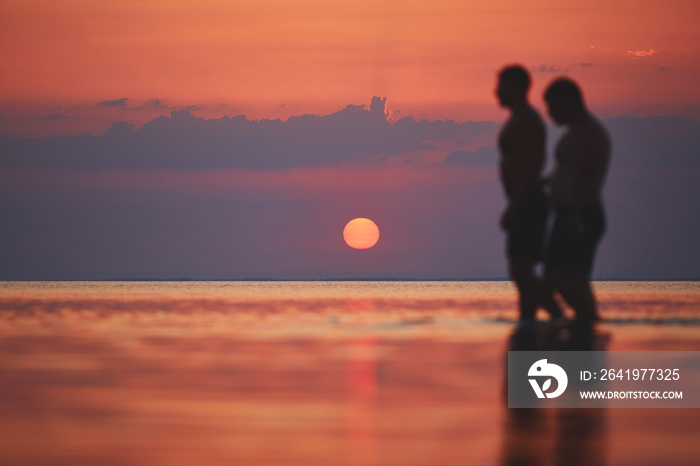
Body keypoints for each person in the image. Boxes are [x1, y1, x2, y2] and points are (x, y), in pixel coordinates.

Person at [496, 65, 563, 323]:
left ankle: (559, 318)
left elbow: (532, 165)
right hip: (523, 200)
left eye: (501, 85)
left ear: (515, 87)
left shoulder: (527, 120)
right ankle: (528, 325)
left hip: (528, 202)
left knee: (521, 270)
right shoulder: (516, 119)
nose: (496, 91)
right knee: (522, 270)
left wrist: (515, 205)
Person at [543, 78, 611, 322]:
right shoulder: (580, 131)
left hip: (579, 212)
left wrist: (573, 215)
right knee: (577, 278)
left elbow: (583, 174)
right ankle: (586, 332)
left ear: (568, 103)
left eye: (552, 107)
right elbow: (569, 171)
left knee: (556, 276)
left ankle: (586, 320)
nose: (549, 114)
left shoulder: (587, 131)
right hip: (579, 212)